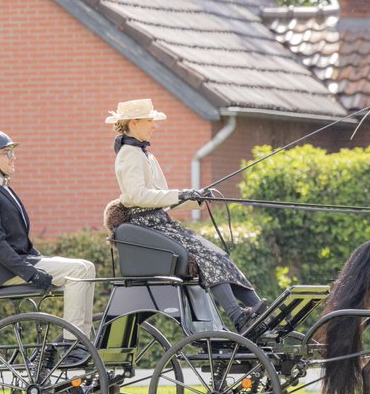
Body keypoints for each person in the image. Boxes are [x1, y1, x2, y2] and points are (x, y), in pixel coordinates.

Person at [106, 98, 264, 331]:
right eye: (150, 120)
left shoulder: (147, 156)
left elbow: (161, 198)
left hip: (160, 221)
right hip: (146, 225)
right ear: (134, 122)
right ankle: (237, 316)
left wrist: (194, 198)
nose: (154, 125)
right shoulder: (129, 154)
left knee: (218, 254)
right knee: (206, 255)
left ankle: (258, 308)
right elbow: (137, 195)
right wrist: (180, 194)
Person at [0, 129, 95, 367]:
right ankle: (73, 346)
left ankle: (79, 342)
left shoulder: (3, 189)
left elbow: (20, 241)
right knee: (80, 271)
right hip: (6, 271)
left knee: (85, 268)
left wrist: (38, 261)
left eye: (12, 152)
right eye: (7, 153)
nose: (13, 158)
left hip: (22, 262)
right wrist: (31, 273)